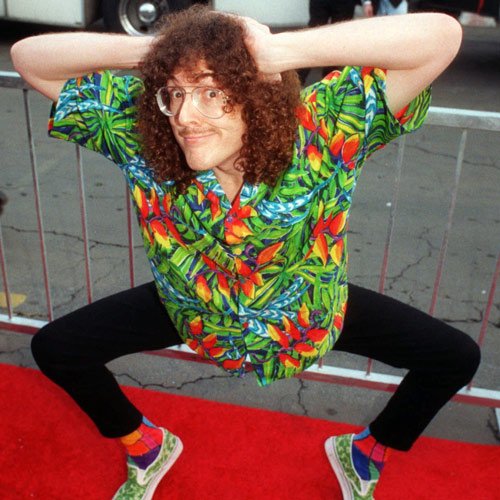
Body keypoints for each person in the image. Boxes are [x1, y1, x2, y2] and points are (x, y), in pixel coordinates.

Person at [11, 6, 480, 500]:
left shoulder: (322, 127)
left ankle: (367, 451)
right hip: (194, 310)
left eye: (212, 91)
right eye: (176, 92)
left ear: (255, 92)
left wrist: (280, 50)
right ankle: (145, 445)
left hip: (306, 312)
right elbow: (29, 57)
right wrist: (160, 53)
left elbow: (440, 36)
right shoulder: (146, 131)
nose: (185, 115)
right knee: (58, 349)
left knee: (454, 358)